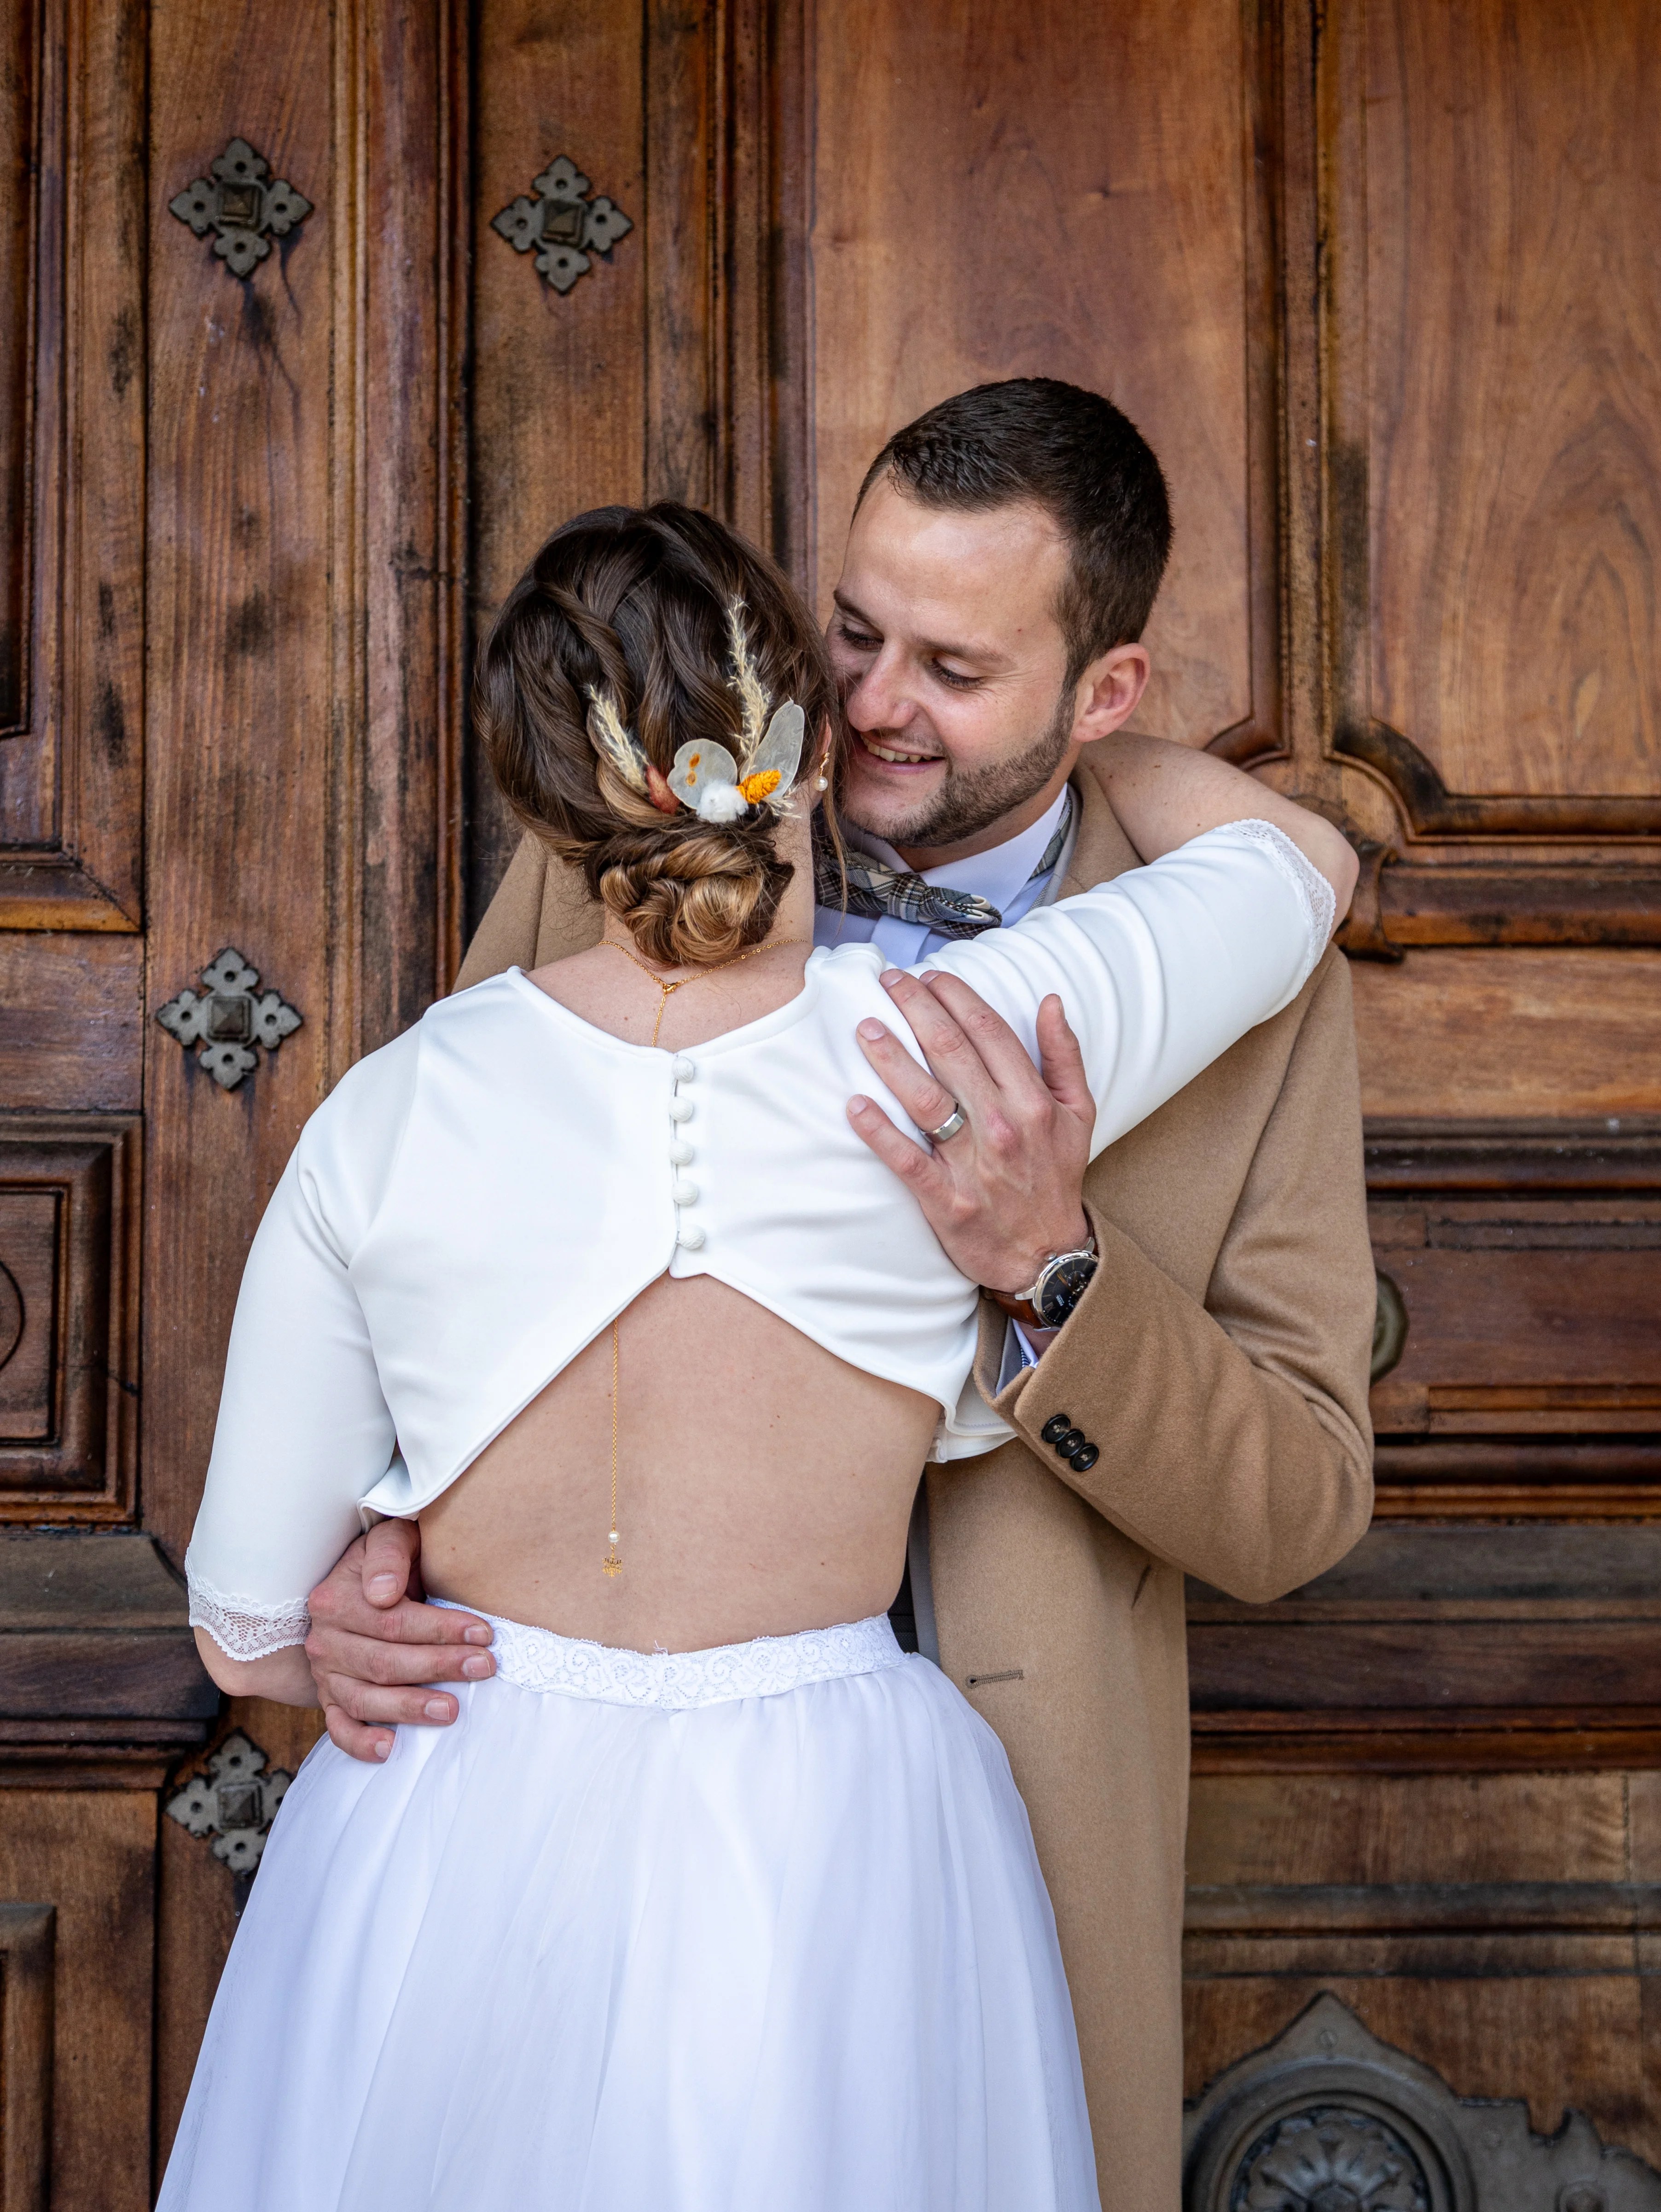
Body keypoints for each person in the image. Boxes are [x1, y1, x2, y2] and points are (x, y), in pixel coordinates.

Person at [163, 492, 1356, 2209]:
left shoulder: (387, 1110)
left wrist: (359, 1586)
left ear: (546, 794)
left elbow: (245, 1625)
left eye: (952, 665)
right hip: (840, 1812)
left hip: (464, 1796)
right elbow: (1294, 870)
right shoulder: (967, 1050)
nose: (886, 706)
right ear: (795, 739)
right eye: (855, 654)